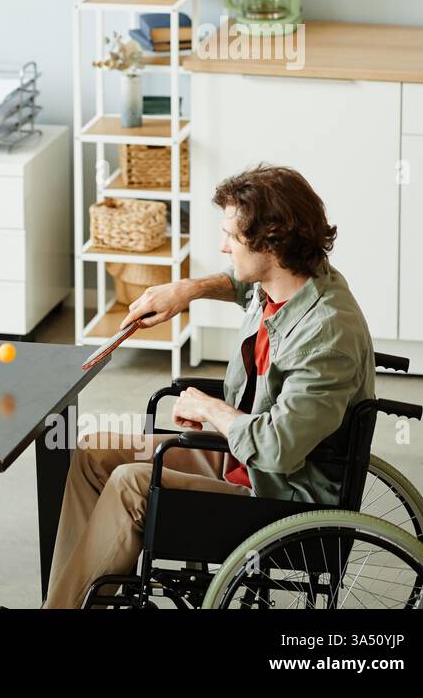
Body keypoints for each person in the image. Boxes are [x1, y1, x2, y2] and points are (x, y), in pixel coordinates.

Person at [43, 164, 374, 609]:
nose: (223, 246)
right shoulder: (293, 278)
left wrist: (210, 408)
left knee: (130, 483)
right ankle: (74, 600)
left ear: (271, 241)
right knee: (93, 452)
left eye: (232, 237)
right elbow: (240, 282)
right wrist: (186, 290)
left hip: (279, 493)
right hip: (241, 458)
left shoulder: (327, 334)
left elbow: (277, 449)